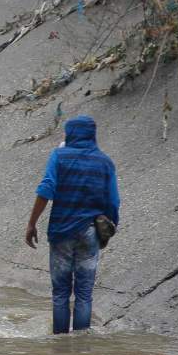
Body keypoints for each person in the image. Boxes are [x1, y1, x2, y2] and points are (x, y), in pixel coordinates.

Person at [25, 116, 120, 334]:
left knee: (60, 294)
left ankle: (60, 347)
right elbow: (113, 202)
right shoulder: (105, 162)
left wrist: (32, 224)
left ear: (71, 134)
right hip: (90, 233)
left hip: (61, 233)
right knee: (84, 294)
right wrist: (109, 228)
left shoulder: (59, 156)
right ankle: (79, 348)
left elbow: (46, 189)